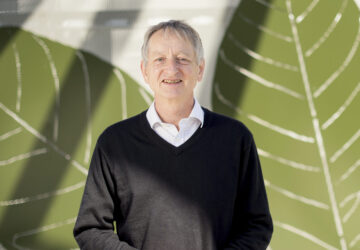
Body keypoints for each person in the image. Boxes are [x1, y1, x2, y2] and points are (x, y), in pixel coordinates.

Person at [73, 20, 273, 250]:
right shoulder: (114, 143)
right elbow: (90, 229)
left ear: (199, 69)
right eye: (160, 59)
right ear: (145, 71)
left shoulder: (235, 139)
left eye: (182, 59)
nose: (171, 69)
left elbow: (257, 225)